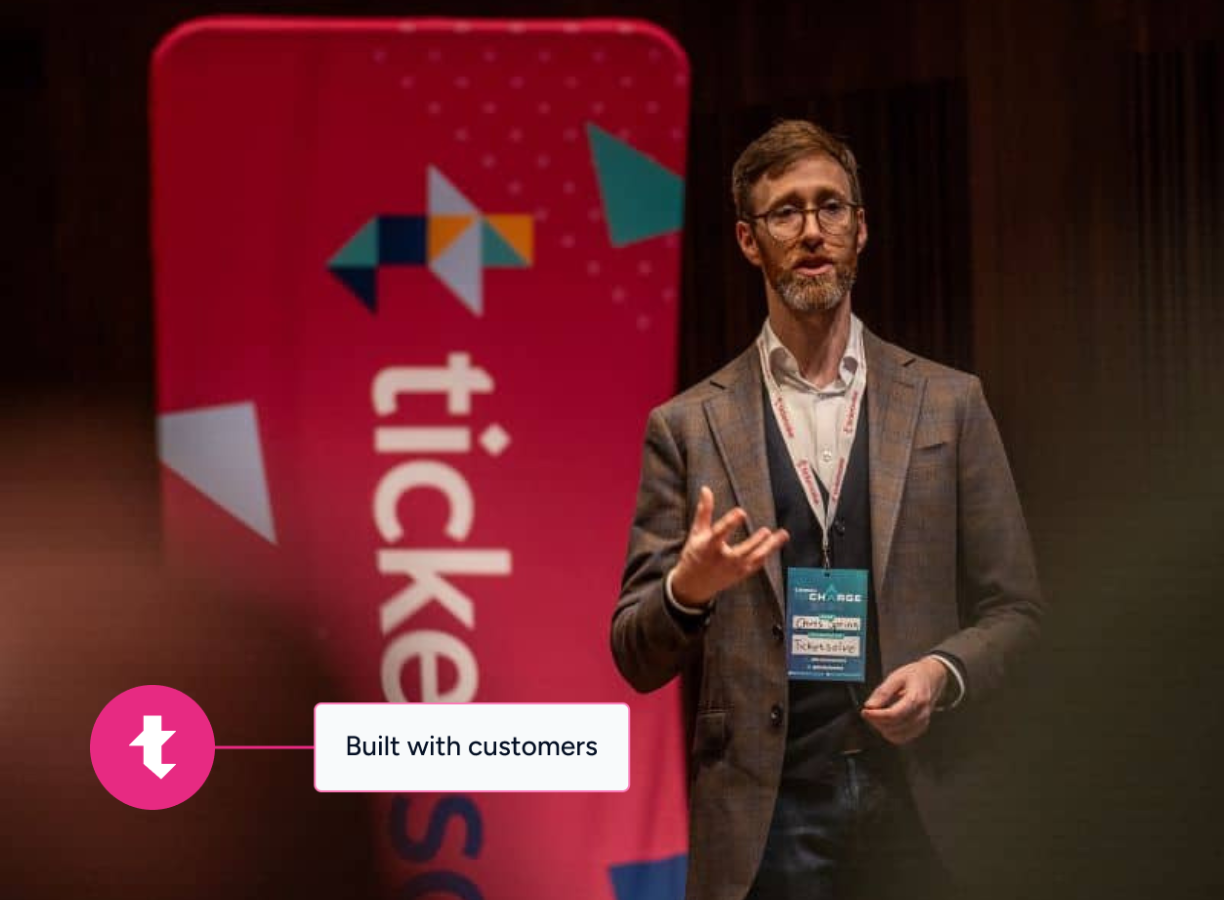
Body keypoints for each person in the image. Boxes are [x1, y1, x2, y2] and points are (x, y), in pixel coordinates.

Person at [610, 119, 1043, 900]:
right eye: (786, 213)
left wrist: (943, 672)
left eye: (831, 208)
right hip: (767, 820)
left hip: (927, 806)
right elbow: (634, 655)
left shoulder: (950, 403)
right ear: (749, 240)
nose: (812, 231)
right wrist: (688, 591)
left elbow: (1016, 610)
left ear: (861, 227)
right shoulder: (686, 427)